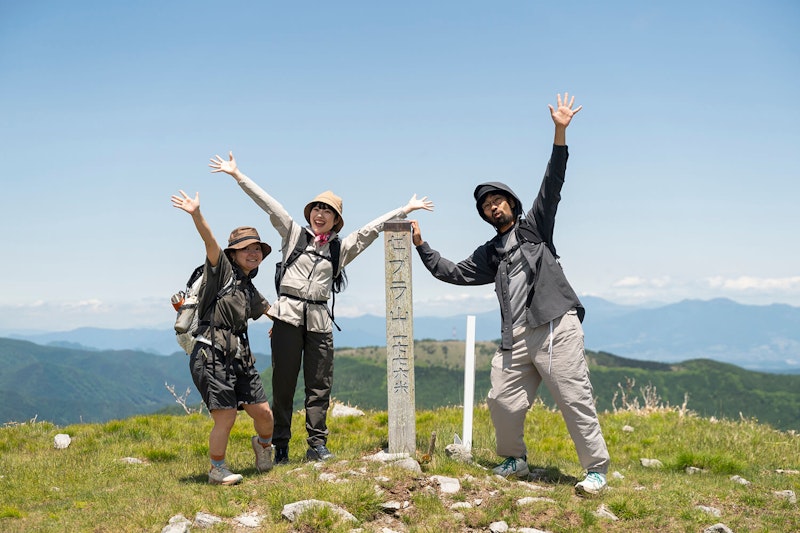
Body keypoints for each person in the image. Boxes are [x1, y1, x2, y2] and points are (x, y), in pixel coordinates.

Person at [410, 93, 610, 496]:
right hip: (514, 336)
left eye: (497, 200)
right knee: (502, 401)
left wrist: (560, 131)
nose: (492, 207)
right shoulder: (489, 253)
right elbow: (452, 272)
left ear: (512, 204)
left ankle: (596, 470)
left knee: (574, 398)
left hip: (554, 325)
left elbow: (552, 183)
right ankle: (515, 459)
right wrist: (420, 245)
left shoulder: (534, 227)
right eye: (486, 205)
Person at [209, 152, 434, 463]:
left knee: (319, 386)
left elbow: (370, 230)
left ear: (336, 220)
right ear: (310, 212)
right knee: (284, 385)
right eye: (317, 207)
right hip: (287, 319)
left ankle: (317, 445)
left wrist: (405, 209)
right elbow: (269, 204)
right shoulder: (293, 234)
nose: (320, 213)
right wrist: (237, 175)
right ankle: (281, 445)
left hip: (319, 322)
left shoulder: (340, 248)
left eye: (327, 211)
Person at [171, 190, 276, 486]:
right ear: (233, 253)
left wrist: (292, 324)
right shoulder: (222, 271)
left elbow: (270, 311)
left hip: (240, 356)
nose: (253, 254)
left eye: (257, 249)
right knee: (226, 416)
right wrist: (196, 214)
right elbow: (210, 242)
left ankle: (263, 446)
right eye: (246, 249)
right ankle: (217, 469)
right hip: (211, 354)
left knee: (264, 414)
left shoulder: (247, 285)